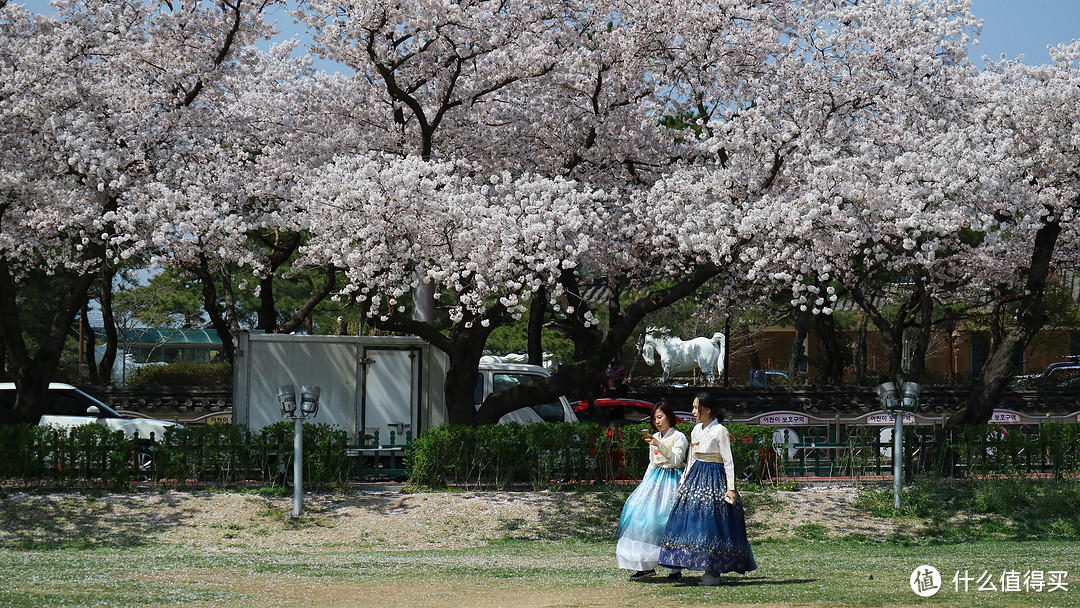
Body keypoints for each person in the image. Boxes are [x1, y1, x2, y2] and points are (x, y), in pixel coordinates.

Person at [659, 392, 757, 586]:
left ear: (708, 409)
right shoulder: (696, 430)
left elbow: (728, 461)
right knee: (696, 521)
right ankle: (705, 567)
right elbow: (691, 458)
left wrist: (731, 489)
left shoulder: (720, 430)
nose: (693, 411)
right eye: (693, 407)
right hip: (696, 476)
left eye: (696, 407)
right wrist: (683, 482)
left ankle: (714, 571)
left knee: (712, 523)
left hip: (714, 476)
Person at [615, 400, 689, 581]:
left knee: (669, 523)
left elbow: (676, 460)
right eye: (654, 418)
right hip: (654, 482)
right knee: (643, 522)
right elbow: (652, 463)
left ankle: (674, 568)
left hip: (673, 480)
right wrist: (643, 485)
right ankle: (645, 566)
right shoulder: (655, 437)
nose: (657, 421)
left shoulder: (678, 437)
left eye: (660, 417)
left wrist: (659, 444)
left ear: (669, 416)